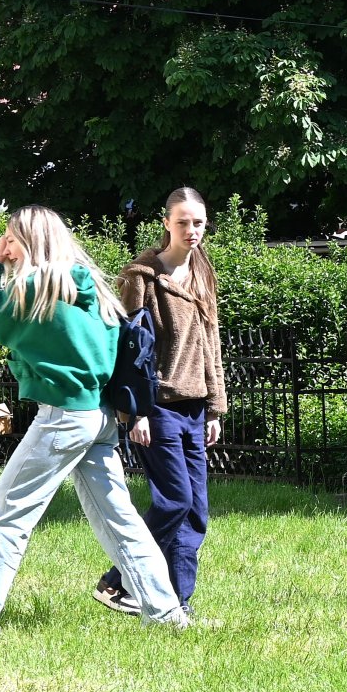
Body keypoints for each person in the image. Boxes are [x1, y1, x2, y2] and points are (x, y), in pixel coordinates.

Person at [0, 206, 189, 643]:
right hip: (99, 419)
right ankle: (166, 613)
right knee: (120, 520)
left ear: (30, 242)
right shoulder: (90, 288)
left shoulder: (34, 291)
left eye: (10, 238)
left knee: (6, 516)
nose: (5, 246)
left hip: (64, 418)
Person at [92, 187, 225, 618]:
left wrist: (215, 407)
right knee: (174, 502)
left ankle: (177, 603)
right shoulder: (141, 277)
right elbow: (126, 347)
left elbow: (211, 343)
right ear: (166, 223)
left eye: (198, 222)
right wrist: (135, 413)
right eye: (183, 222)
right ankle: (117, 582)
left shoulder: (203, 272)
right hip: (158, 408)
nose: (191, 230)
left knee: (196, 512)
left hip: (194, 407)